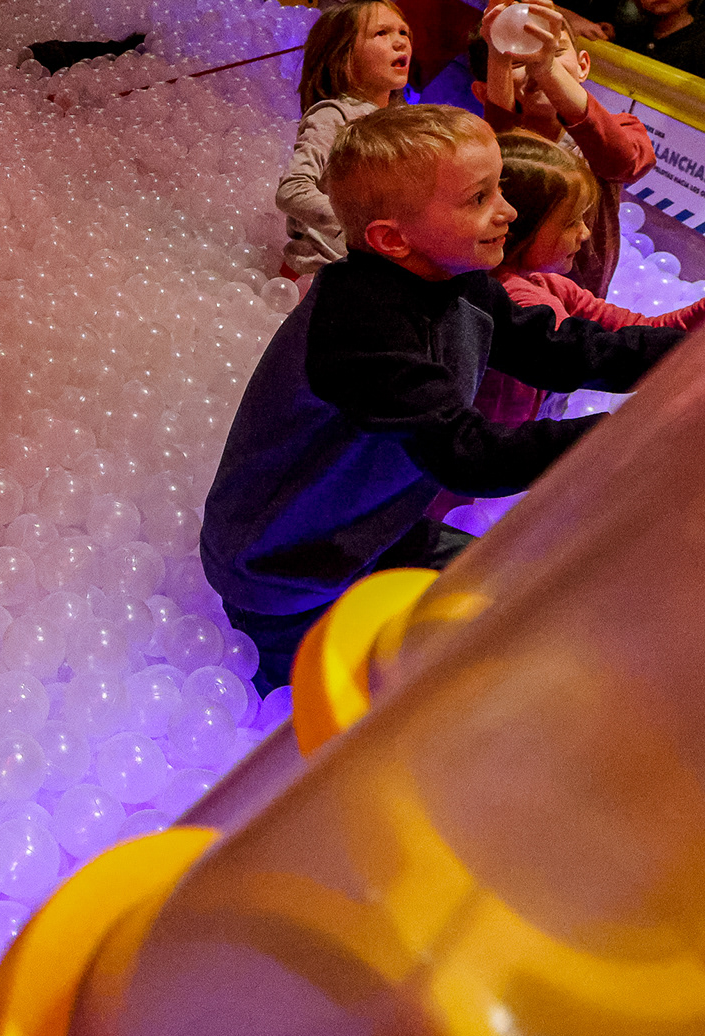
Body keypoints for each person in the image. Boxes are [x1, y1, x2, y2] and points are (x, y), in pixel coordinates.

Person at [201, 104, 684, 693]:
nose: (507, 212)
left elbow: (559, 350)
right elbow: (469, 454)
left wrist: (684, 352)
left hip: (380, 527)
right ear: (392, 240)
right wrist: (635, 432)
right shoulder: (360, 326)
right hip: (285, 568)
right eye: (477, 199)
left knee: (511, 601)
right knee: (334, 712)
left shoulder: (461, 280)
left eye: (498, 188)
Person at [477, 132, 705, 428]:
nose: (585, 233)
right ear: (520, 224)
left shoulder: (546, 283)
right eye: (571, 221)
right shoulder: (518, 301)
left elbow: (636, 328)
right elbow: (605, 351)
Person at [470, 0, 654, 298]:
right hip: (507, 290)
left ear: (583, 66)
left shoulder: (621, 126)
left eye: (554, 53)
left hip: (584, 292)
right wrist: (497, 53)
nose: (535, 64)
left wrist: (549, 70)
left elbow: (623, 162)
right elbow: (503, 144)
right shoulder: (500, 141)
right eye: (517, 62)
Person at [275, 0, 412, 279]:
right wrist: (356, 226)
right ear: (344, 55)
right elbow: (292, 189)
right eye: (381, 33)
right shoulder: (333, 116)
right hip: (319, 279)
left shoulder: (404, 122)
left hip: (373, 273)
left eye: (404, 32)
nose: (400, 42)